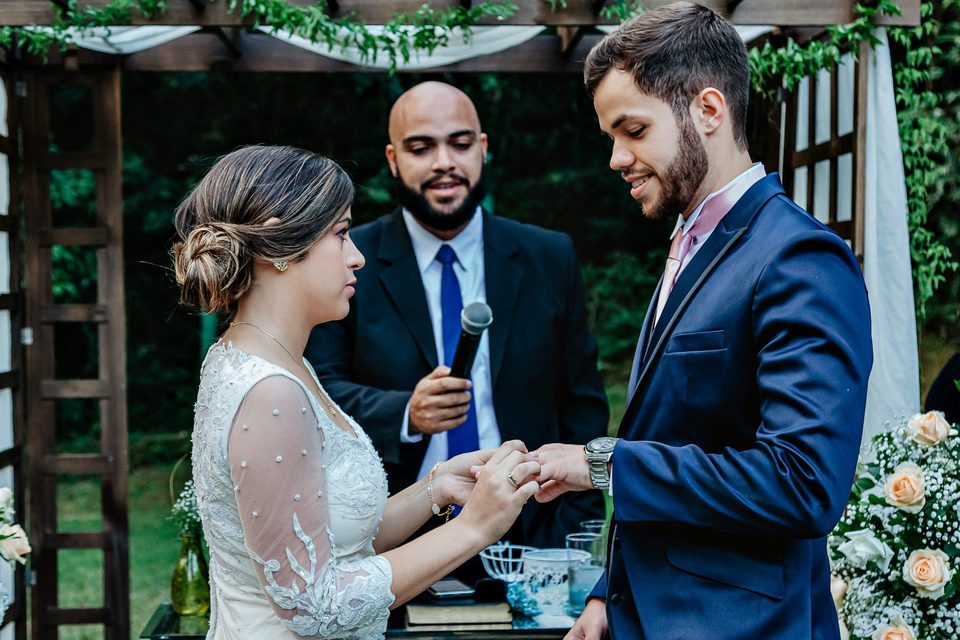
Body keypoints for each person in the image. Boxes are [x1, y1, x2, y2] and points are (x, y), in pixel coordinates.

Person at [532, 4, 874, 639]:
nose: (617, 158)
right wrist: (610, 595)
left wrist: (604, 464)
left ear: (708, 110)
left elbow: (802, 483)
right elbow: (675, 433)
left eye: (634, 130)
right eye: (612, 136)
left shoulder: (798, 257)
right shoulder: (692, 245)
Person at [172, 145, 540, 639]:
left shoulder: (270, 360)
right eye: (341, 234)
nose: (357, 256)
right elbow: (314, 606)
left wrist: (434, 489)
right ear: (283, 245)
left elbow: (328, 541)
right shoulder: (270, 392)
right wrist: (472, 528)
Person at [306, 81, 608, 553]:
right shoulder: (348, 260)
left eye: (460, 144)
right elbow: (317, 392)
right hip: (398, 537)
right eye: (421, 148)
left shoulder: (549, 256)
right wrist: (406, 413)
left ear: (483, 149)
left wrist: (573, 529)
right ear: (393, 160)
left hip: (533, 531)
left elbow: (582, 403)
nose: (443, 162)